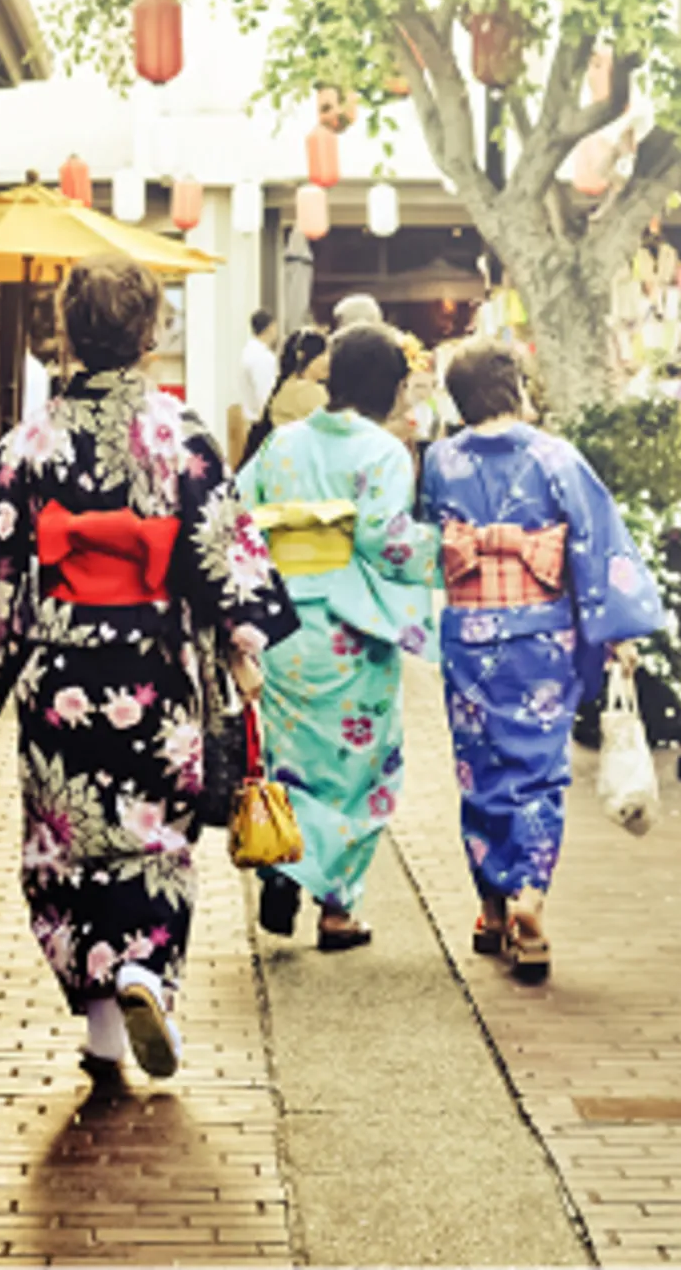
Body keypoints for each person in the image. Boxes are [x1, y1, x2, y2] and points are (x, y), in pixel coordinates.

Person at [0, 255, 297, 1083]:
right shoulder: (181, 434)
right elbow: (226, 553)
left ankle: (100, 1031)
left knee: (67, 842)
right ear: (152, 334)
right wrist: (241, 640)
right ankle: (145, 975)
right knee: (154, 836)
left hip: (59, 670)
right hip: (155, 673)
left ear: (66, 333)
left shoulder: (31, 439)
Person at [421, 342, 664, 981]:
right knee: (537, 771)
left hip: (469, 635)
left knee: (478, 769)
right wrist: (617, 632)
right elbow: (594, 543)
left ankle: (492, 908)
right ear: (516, 388)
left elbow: (426, 536)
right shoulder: (557, 458)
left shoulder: (440, 459)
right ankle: (530, 897)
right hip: (539, 640)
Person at [237, 323, 440, 951]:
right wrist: (439, 548)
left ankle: (281, 863)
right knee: (359, 765)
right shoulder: (383, 451)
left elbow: (240, 515)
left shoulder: (282, 443)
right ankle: (336, 908)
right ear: (392, 386)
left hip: (282, 626)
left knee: (290, 758)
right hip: (350, 626)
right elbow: (385, 537)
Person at [241, 326, 329, 465]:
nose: (328, 359)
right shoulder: (312, 393)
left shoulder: (283, 387)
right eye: (323, 354)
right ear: (305, 356)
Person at [241, 307, 280, 424]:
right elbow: (265, 395)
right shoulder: (262, 357)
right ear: (271, 327)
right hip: (261, 421)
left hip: (251, 418)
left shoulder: (249, 351)